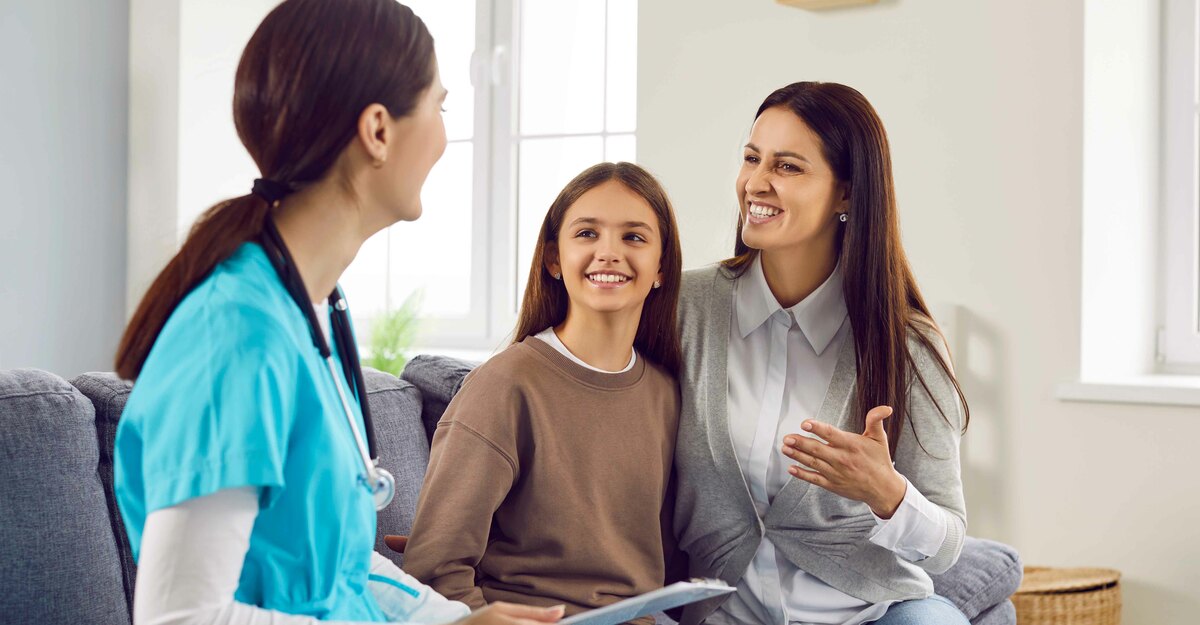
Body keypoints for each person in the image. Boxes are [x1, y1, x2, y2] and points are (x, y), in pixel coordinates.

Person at [112, 1, 563, 624]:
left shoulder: (316, 314)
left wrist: (458, 622)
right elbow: (183, 617)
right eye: (440, 105)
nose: (443, 134)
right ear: (378, 130)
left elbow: (337, 568)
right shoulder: (235, 336)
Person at [671, 82, 972, 625]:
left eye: (787, 167)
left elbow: (948, 543)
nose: (755, 183)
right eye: (751, 158)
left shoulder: (907, 345)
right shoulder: (683, 309)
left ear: (848, 194)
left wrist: (888, 494)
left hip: (870, 614)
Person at [402, 163, 684, 625]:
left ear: (661, 268)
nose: (609, 253)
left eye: (634, 237)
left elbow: (668, 561)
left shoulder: (666, 393)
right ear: (554, 259)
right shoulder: (504, 388)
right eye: (587, 234)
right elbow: (434, 572)